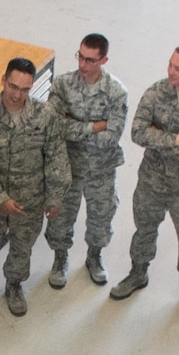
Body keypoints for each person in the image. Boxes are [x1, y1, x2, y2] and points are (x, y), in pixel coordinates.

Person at [111, 42, 179, 320]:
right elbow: (137, 132)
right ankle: (138, 273)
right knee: (144, 230)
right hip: (151, 181)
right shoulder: (156, 91)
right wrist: (178, 138)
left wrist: (158, 135)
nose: (171, 72)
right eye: (171, 65)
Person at [0, 59, 68, 323]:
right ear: (3, 80)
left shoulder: (45, 115)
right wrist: (0, 198)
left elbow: (56, 157)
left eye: (25, 89)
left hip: (30, 200)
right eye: (13, 86)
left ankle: (14, 285)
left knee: (22, 248)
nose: (18, 95)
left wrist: (54, 196)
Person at [45, 32, 129, 286]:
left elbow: (111, 137)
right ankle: (60, 258)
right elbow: (53, 126)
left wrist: (75, 125)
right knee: (60, 217)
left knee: (101, 217)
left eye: (91, 60)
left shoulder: (116, 92)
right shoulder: (62, 85)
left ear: (104, 60)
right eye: (80, 57)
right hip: (67, 166)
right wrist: (95, 126)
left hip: (100, 168)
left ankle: (94, 256)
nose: (83, 64)